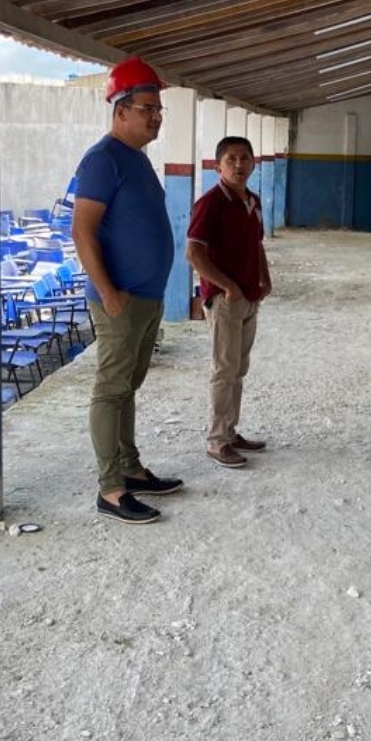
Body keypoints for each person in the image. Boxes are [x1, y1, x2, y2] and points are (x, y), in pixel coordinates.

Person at [72, 56, 183, 525]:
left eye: (158, 108)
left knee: (127, 388)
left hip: (146, 298)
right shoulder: (102, 160)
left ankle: (131, 468)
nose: (156, 116)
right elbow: (83, 232)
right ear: (120, 111)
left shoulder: (135, 159)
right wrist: (109, 292)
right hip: (121, 298)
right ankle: (110, 489)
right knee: (110, 389)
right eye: (147, 108)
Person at [186, 136, 272, 468]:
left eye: (245, 158)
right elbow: (193, 253)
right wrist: (227, 286)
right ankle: (217, 440)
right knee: (224, 369)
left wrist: (265, 278)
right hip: (225, 299)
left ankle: (231, 431)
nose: (239, 164)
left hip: (249, 296)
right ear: (217, 165)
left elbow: (258, 244)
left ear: (253, 163)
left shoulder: (252, 200)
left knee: (238, 368)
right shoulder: (211, 202)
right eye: (231, 159)